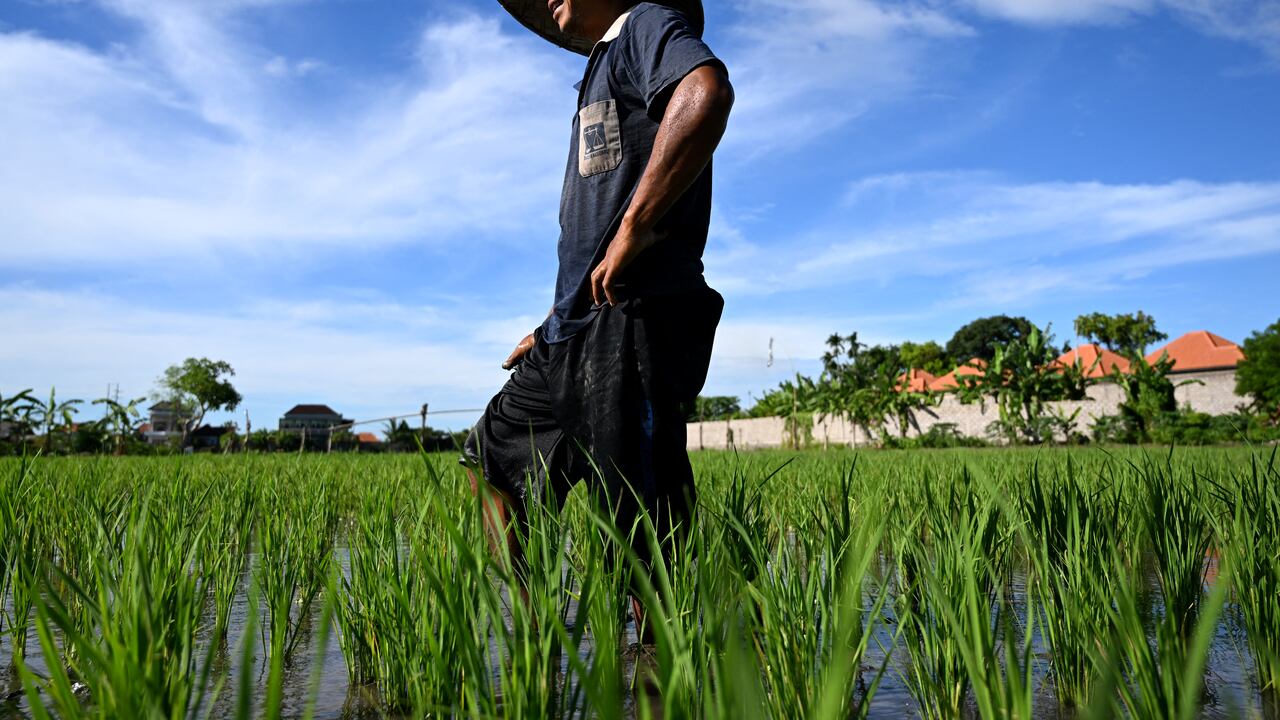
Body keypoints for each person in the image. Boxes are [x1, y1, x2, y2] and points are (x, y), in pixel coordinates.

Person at [462, 0, 733, 634]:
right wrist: (553, 323)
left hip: (633, 316)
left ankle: (664, 673)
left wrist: (639, 226)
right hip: (575, 329)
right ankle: (536, 640)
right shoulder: (602, 61)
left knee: (641, 514)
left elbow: (705, 91)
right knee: (491, 460)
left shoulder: (644, 26)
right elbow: (591, 233)